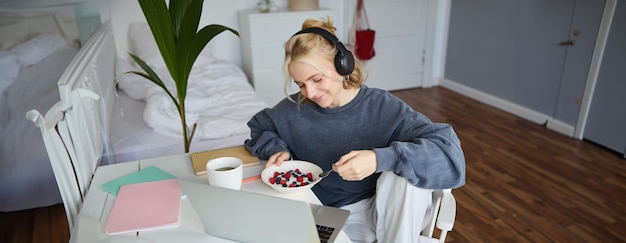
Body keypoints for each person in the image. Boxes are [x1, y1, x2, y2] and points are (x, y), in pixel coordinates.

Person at [244, 17, 466, 243]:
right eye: (300, 84)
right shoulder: (292, 109)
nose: (309, 92)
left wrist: (379, 159)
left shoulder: (383, 107)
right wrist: (276, 147)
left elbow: (447, 151)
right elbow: (260, 127)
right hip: (328, 215)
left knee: (405, 175)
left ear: (343, 65)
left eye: (317, 79)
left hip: (383, 212)